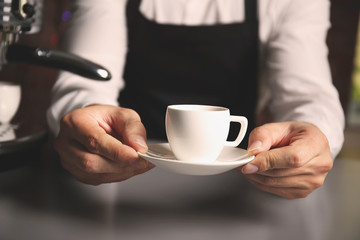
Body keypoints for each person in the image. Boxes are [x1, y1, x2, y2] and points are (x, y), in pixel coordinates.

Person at [47, 0, 344, 199]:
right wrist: (85, 116)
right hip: (118, 181)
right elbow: (85, 79)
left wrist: (317, 136)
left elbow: (309, 94)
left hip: (239, 191)